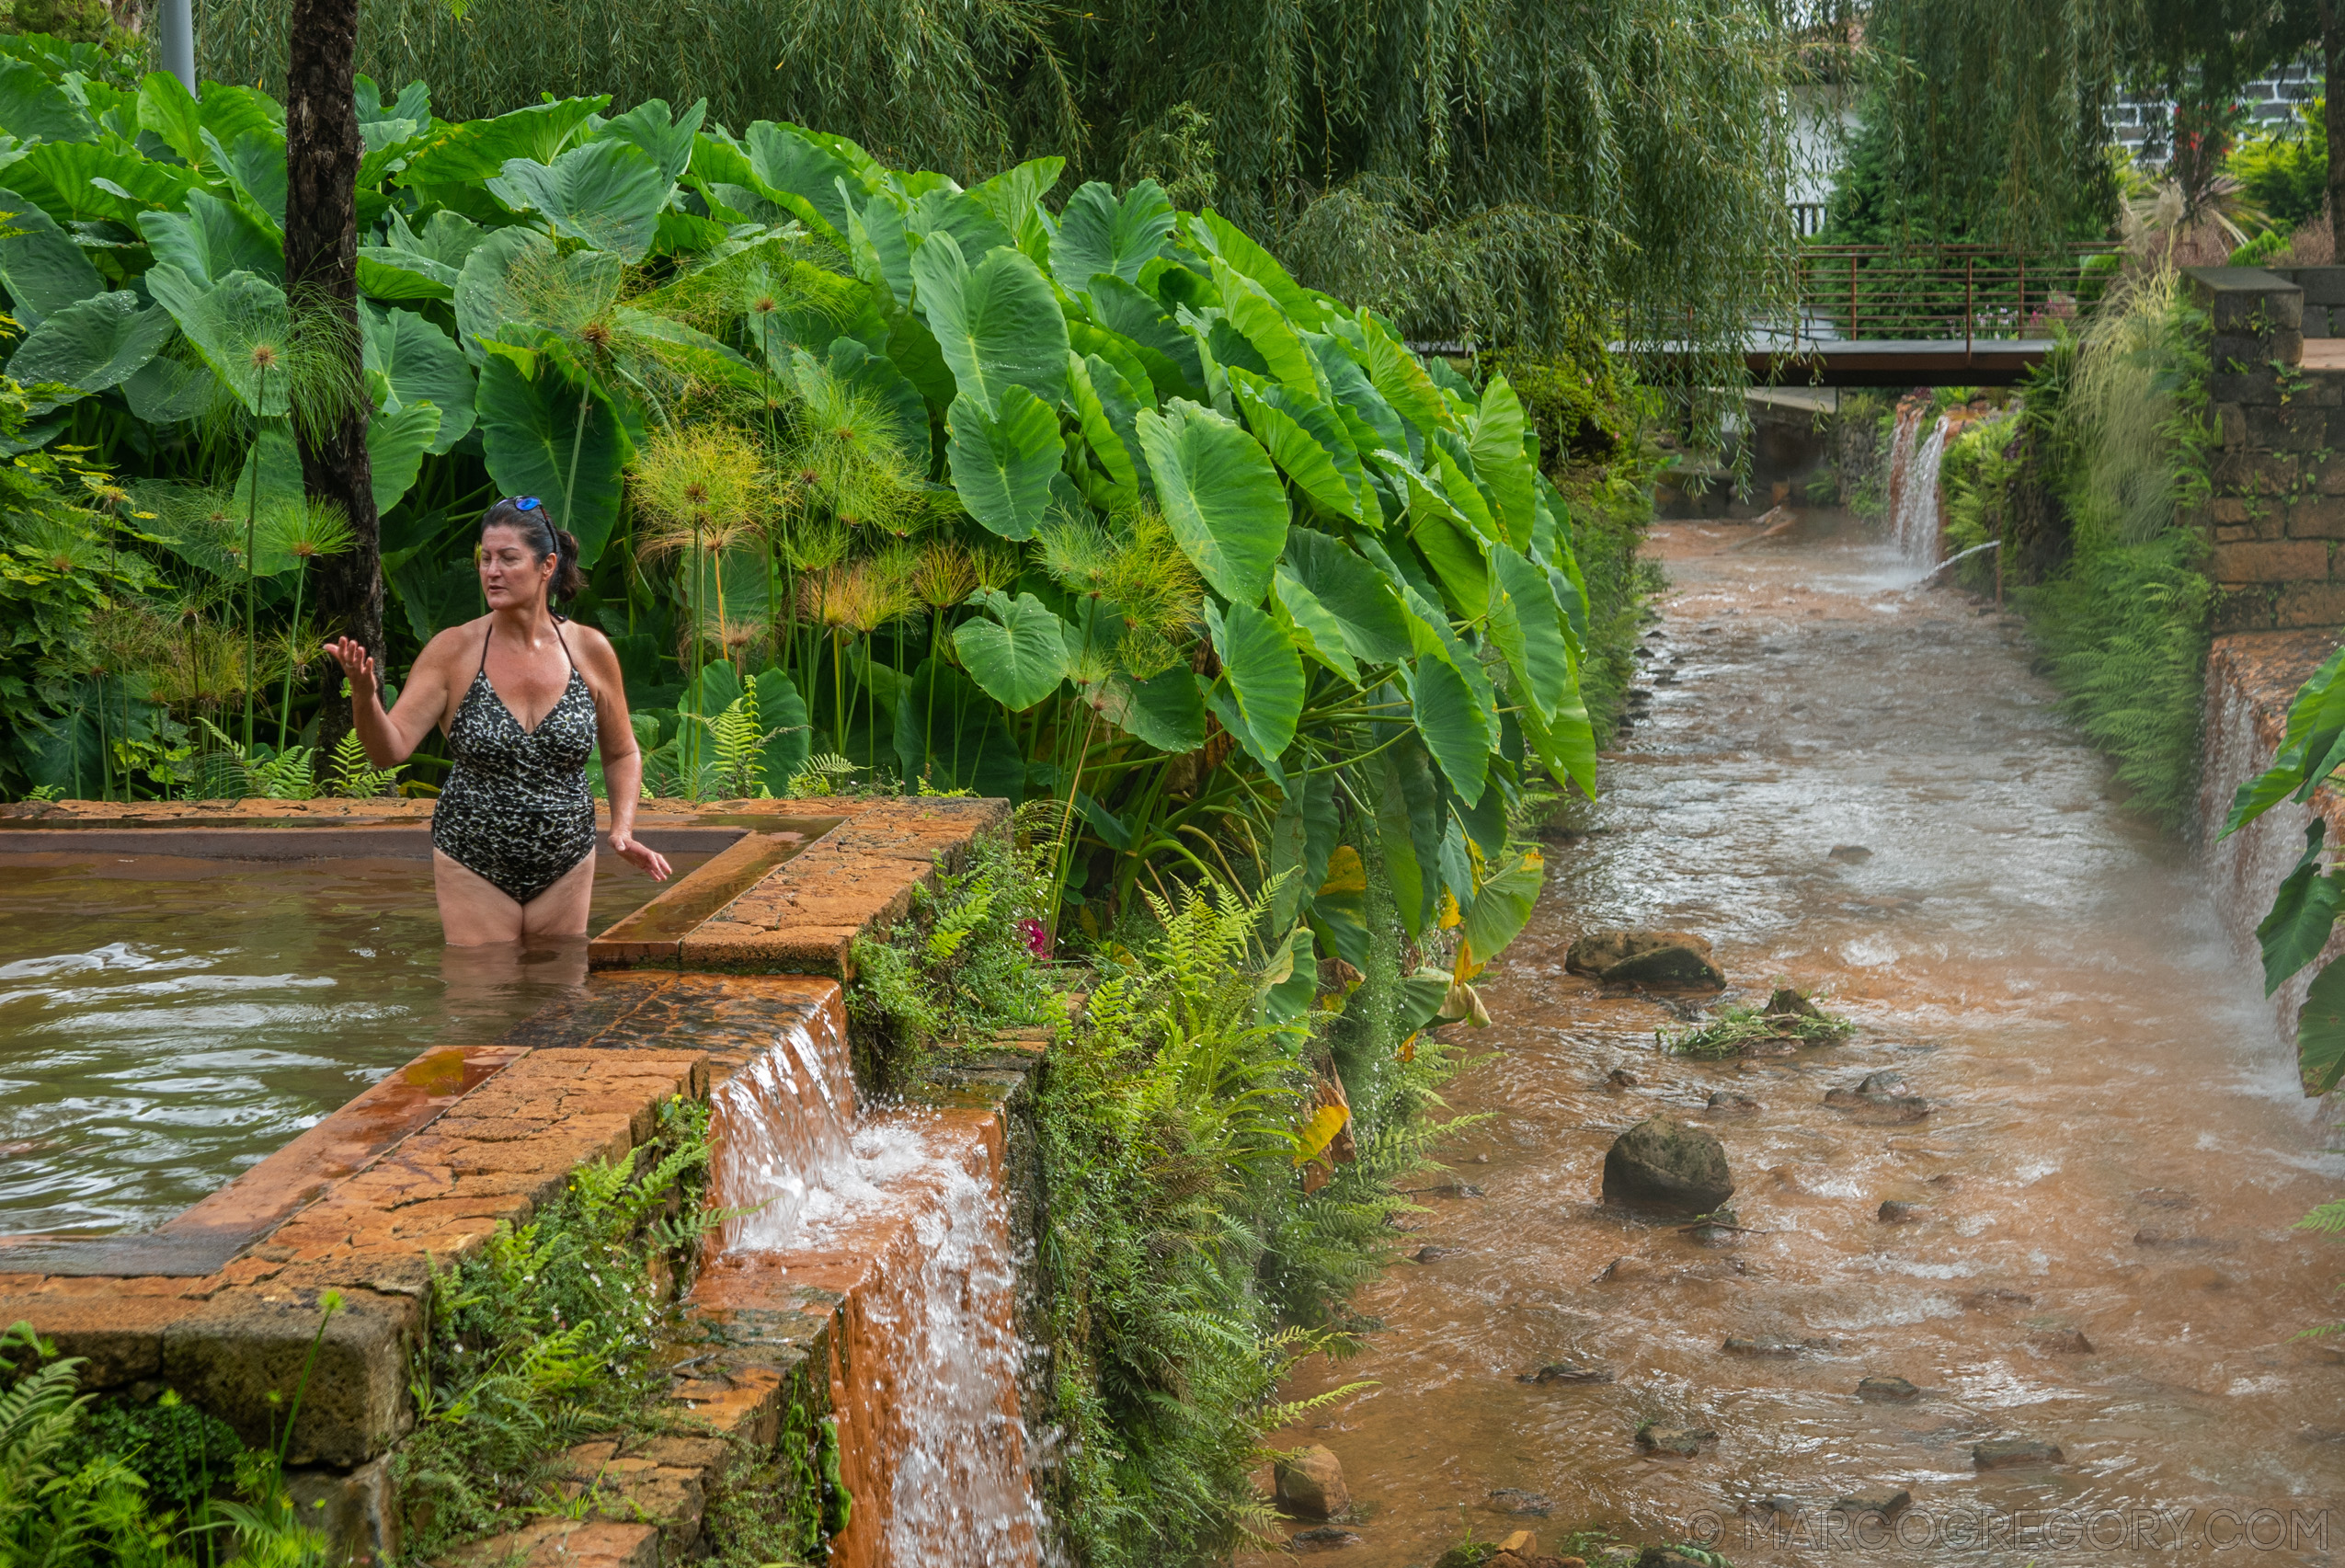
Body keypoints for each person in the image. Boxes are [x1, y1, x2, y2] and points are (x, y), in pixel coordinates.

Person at [325, 497, 671, 944]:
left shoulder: (589, 650)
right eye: (485, 558)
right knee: (481, 1002)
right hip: (472, 858)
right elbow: (387, 751)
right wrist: (365, 695)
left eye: (508, 559)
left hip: (566, 856)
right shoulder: (453, 651)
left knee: (560, 1002)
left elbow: (622, 751)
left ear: (547, 566)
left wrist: (621, 831)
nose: (492, 571)